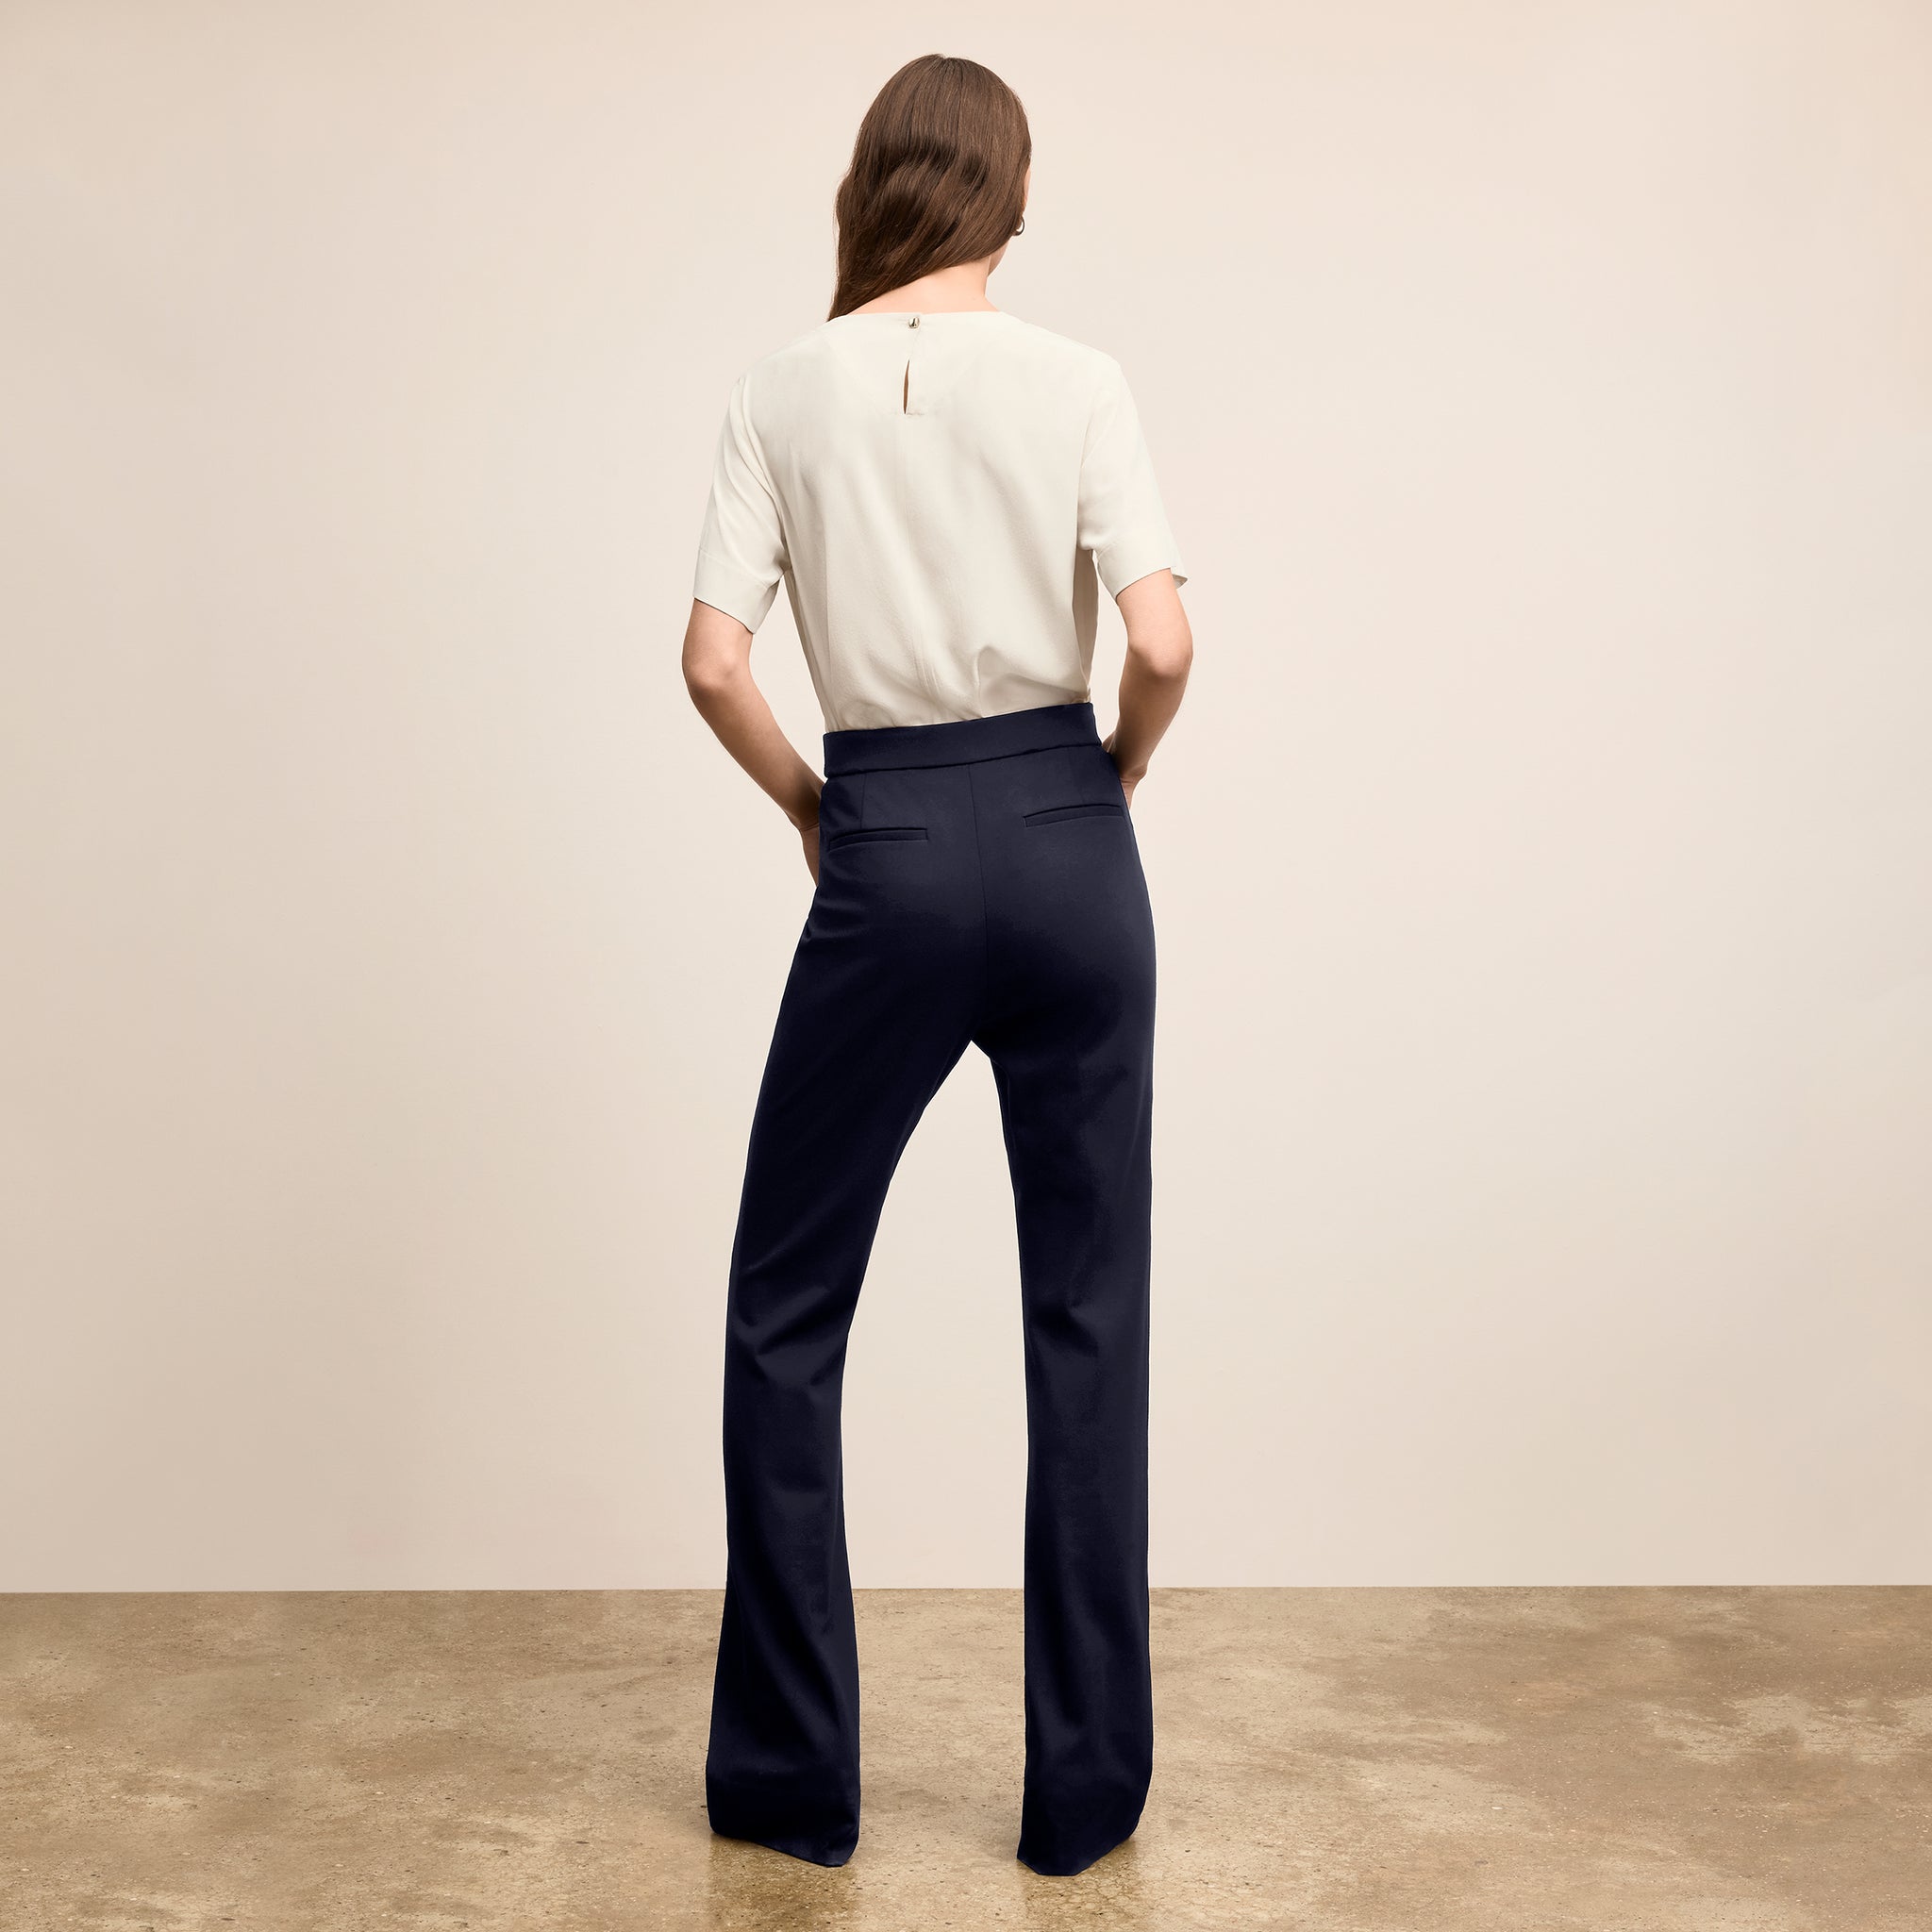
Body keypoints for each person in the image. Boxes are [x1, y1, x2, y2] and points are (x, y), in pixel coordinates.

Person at [680, 51, 1193, 1879]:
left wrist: (819, 810)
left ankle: (792, 1782)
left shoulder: (780, 392)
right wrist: (1110, 774)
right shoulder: (1078, 382)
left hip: (889, 838)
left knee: (784, 1313)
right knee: (1089, 1316)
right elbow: (1161, 634)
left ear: (872, 186)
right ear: (1010, 193)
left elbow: (714, 661)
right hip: (1066, 832)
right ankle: (1081, 1799)